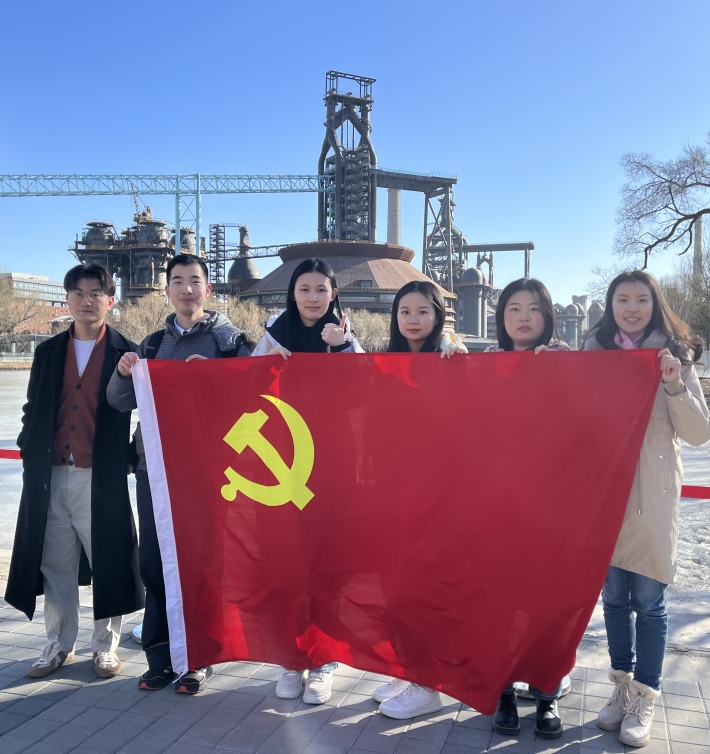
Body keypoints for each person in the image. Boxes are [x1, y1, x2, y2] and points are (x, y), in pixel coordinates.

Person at [106, 253, 252, 695]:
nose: (186, 289)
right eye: (178, 281)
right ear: (167, 289)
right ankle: (161, 657)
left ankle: (200, 657)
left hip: (208, 473)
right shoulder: (151, 345)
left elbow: (254, 399)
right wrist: (123, 373)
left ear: (208, 289)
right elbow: (119, 401)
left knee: (202, 564)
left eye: (194, 281)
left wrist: (216, 379)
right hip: (154, 471)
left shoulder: (232, 342)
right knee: (155, 563)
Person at [583, 270, 710, 748]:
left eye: (641, 299)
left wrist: (675, 385)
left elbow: (699, 434)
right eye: (623, 299)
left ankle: (645, 697)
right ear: (610, 305)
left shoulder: (674, 357)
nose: (632, 308)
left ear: (654, 305)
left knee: (650, 602)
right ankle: (620, 688)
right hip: (604, 496)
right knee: (614, 598)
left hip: (653, 498)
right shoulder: (593, 355)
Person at [5, 262, 143, 680]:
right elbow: (32, 407)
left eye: (95, 293)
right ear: (67, 299)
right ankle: (59, 643)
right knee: (56, 563)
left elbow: (147, 413)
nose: (87, 301)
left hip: (99, 476)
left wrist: (130, 457)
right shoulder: (48, 352)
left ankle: (105, 647)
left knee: (108, 560)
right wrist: (28, 447)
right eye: (78, 293)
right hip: (49, 474)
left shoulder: (127, 352)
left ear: (110, 301)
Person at [252, 258, 363, 705]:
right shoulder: (273, 335)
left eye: (321, 289)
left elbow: (365, 391)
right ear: (292, 294)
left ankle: (324, 660)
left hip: (333, 464)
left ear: (333, 293)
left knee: (328, 563)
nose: (313, 298)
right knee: (288, 562)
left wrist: (342, 348)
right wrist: (263, 367)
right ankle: (290, 657)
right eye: (304, 289)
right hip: (284, 463)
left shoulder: (345, 334)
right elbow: (244, 392)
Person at [371, 279, 465, 721]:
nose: (413, 319)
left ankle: (429, 684)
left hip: (437, 497)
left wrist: (454, 352)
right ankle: (408, 668)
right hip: (394, 494)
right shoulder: (385, 363)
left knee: (424, 590)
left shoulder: (450, 361)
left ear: (438, 316)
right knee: (395, 588)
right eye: (405, 311)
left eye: (423, 311)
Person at [485, 278, 571, 738]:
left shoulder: (566, 363)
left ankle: (546, 694)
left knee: (547, 604)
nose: (523, 317)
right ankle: (501, 690)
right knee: (498, 602)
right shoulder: (486, 363)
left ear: (548, 316)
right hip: (496, 506)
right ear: (501, 317)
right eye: (513, 308)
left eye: (533, 308)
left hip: (550, 507)